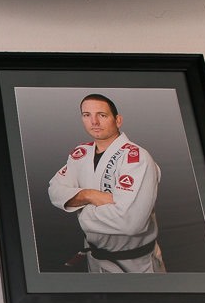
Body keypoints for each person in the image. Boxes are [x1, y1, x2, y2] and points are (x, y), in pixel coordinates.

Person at [47, 93, 165, 273]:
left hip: (136, 264)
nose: (94, 121)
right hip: (95, 259)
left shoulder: (136, 158)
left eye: (102, 115)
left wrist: (81, 210)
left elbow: (131, 222)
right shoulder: (81, 153)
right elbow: (54, 191)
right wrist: (90, 195)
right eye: (87, 115)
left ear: (118, 120)